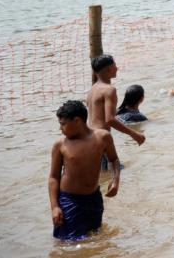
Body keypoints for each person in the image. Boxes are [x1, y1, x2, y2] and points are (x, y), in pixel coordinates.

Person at [49, 100, 119, 241]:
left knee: (94, 238)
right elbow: (53, 177)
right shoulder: (60, 144)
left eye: (63, 124)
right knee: (69, 244)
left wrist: (115, 180)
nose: (60, 129)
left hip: (94, 199)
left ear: (77, 121)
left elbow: (114, 160)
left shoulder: (103, 137)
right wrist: (55, 207)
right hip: (69, 201)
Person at [87, 54, 146, 148]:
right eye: (115, 65)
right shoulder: (109, 90)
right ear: (110, 68)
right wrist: (134, 134)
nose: (117, 68)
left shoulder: (92, 89)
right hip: (101, 139)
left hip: (89, 137)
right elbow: (110, 119)